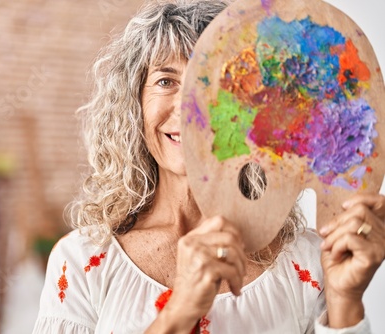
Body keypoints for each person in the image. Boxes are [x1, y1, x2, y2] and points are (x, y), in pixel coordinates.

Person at [32, 1, 385, 333]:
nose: (190, 109)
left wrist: (345, 300)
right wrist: (178, 311)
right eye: (166, 81)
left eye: (216, 82)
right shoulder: (82, 262)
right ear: (133, 104)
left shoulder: (311, 262)